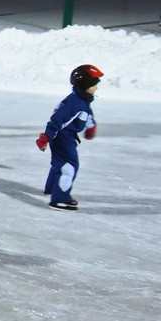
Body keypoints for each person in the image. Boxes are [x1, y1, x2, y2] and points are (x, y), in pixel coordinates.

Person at [35, 64, 104, 211]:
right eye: (94, 84)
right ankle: (59, 199)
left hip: (65, 136)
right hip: (63, 137)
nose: (96, 87)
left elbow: (87, 114)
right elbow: (57, 120)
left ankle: (52, 189)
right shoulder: (75, 103)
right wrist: (46, 137)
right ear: (84, 84)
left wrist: (91, 126)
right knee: (69, 166)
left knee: (59, 163)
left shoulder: (82, 100)